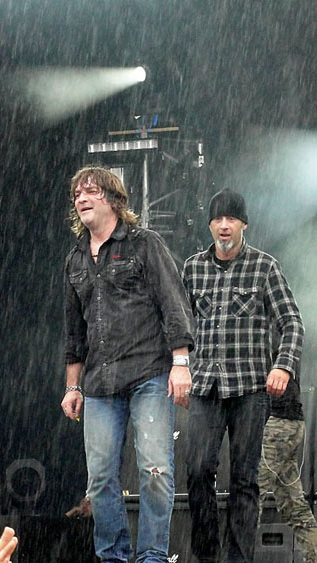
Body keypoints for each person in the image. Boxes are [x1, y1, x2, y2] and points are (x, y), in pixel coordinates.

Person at [61, 166, 195, 562]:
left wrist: (181, 362)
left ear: (113, 199)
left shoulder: (144, 244)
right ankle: (113, 556)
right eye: (77, 195)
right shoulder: (75, 260)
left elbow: (173, 303)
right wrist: (72, 386)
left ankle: (153, 555)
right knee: (100, 478)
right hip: (99, 383)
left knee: (155, 469)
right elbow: (74, 332)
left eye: (90, 191)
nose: (82, 199)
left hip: (148, 372)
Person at [183, 188, 304, 562]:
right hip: (204, 386)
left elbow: (292, 322)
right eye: (218, 219)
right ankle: (207, 555)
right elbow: (177, 325)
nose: (224, 225)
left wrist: (282, 365)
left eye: (231, 219)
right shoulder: (192, 268)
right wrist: (177, 368)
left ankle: (238, 559)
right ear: (209, 224)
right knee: (197, 471)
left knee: (245, 480)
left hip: (250, 387)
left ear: (243, 225)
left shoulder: (265, 266)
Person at [258, 372, 317, 563]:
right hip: (291, 421)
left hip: (275, 422)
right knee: (294, 503)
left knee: (250, 498)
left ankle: (238, 556)